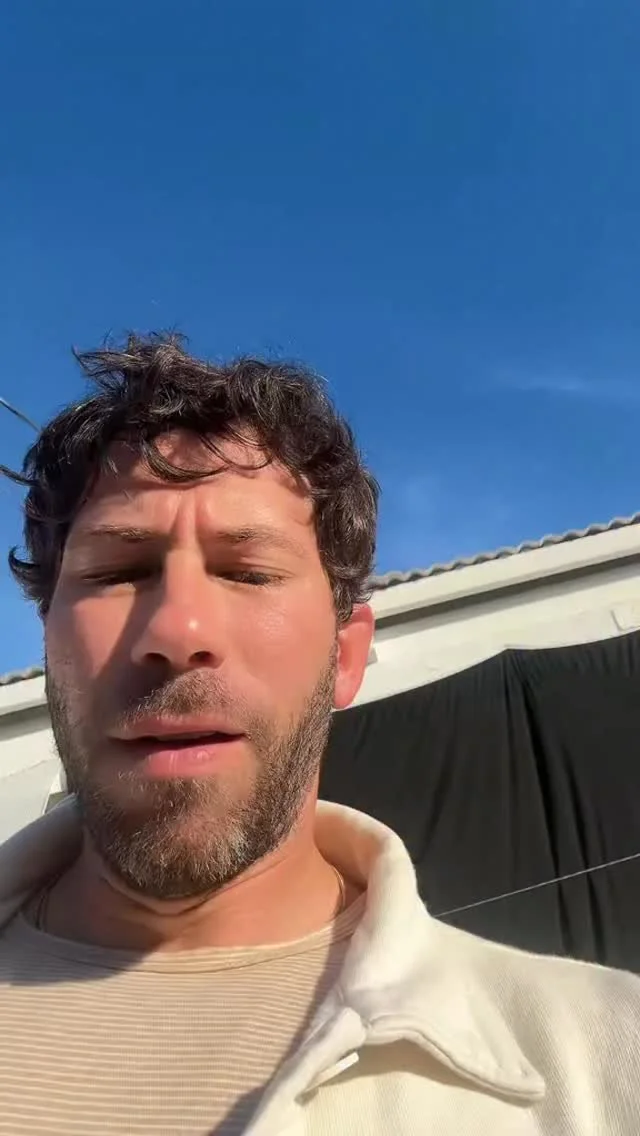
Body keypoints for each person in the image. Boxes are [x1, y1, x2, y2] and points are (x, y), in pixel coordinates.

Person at [0, 335, 638, 1136]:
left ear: (347, 656)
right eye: (117, 573)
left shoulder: (609, 1066)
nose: (177, 631)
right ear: (49, 639)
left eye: (248, 572)